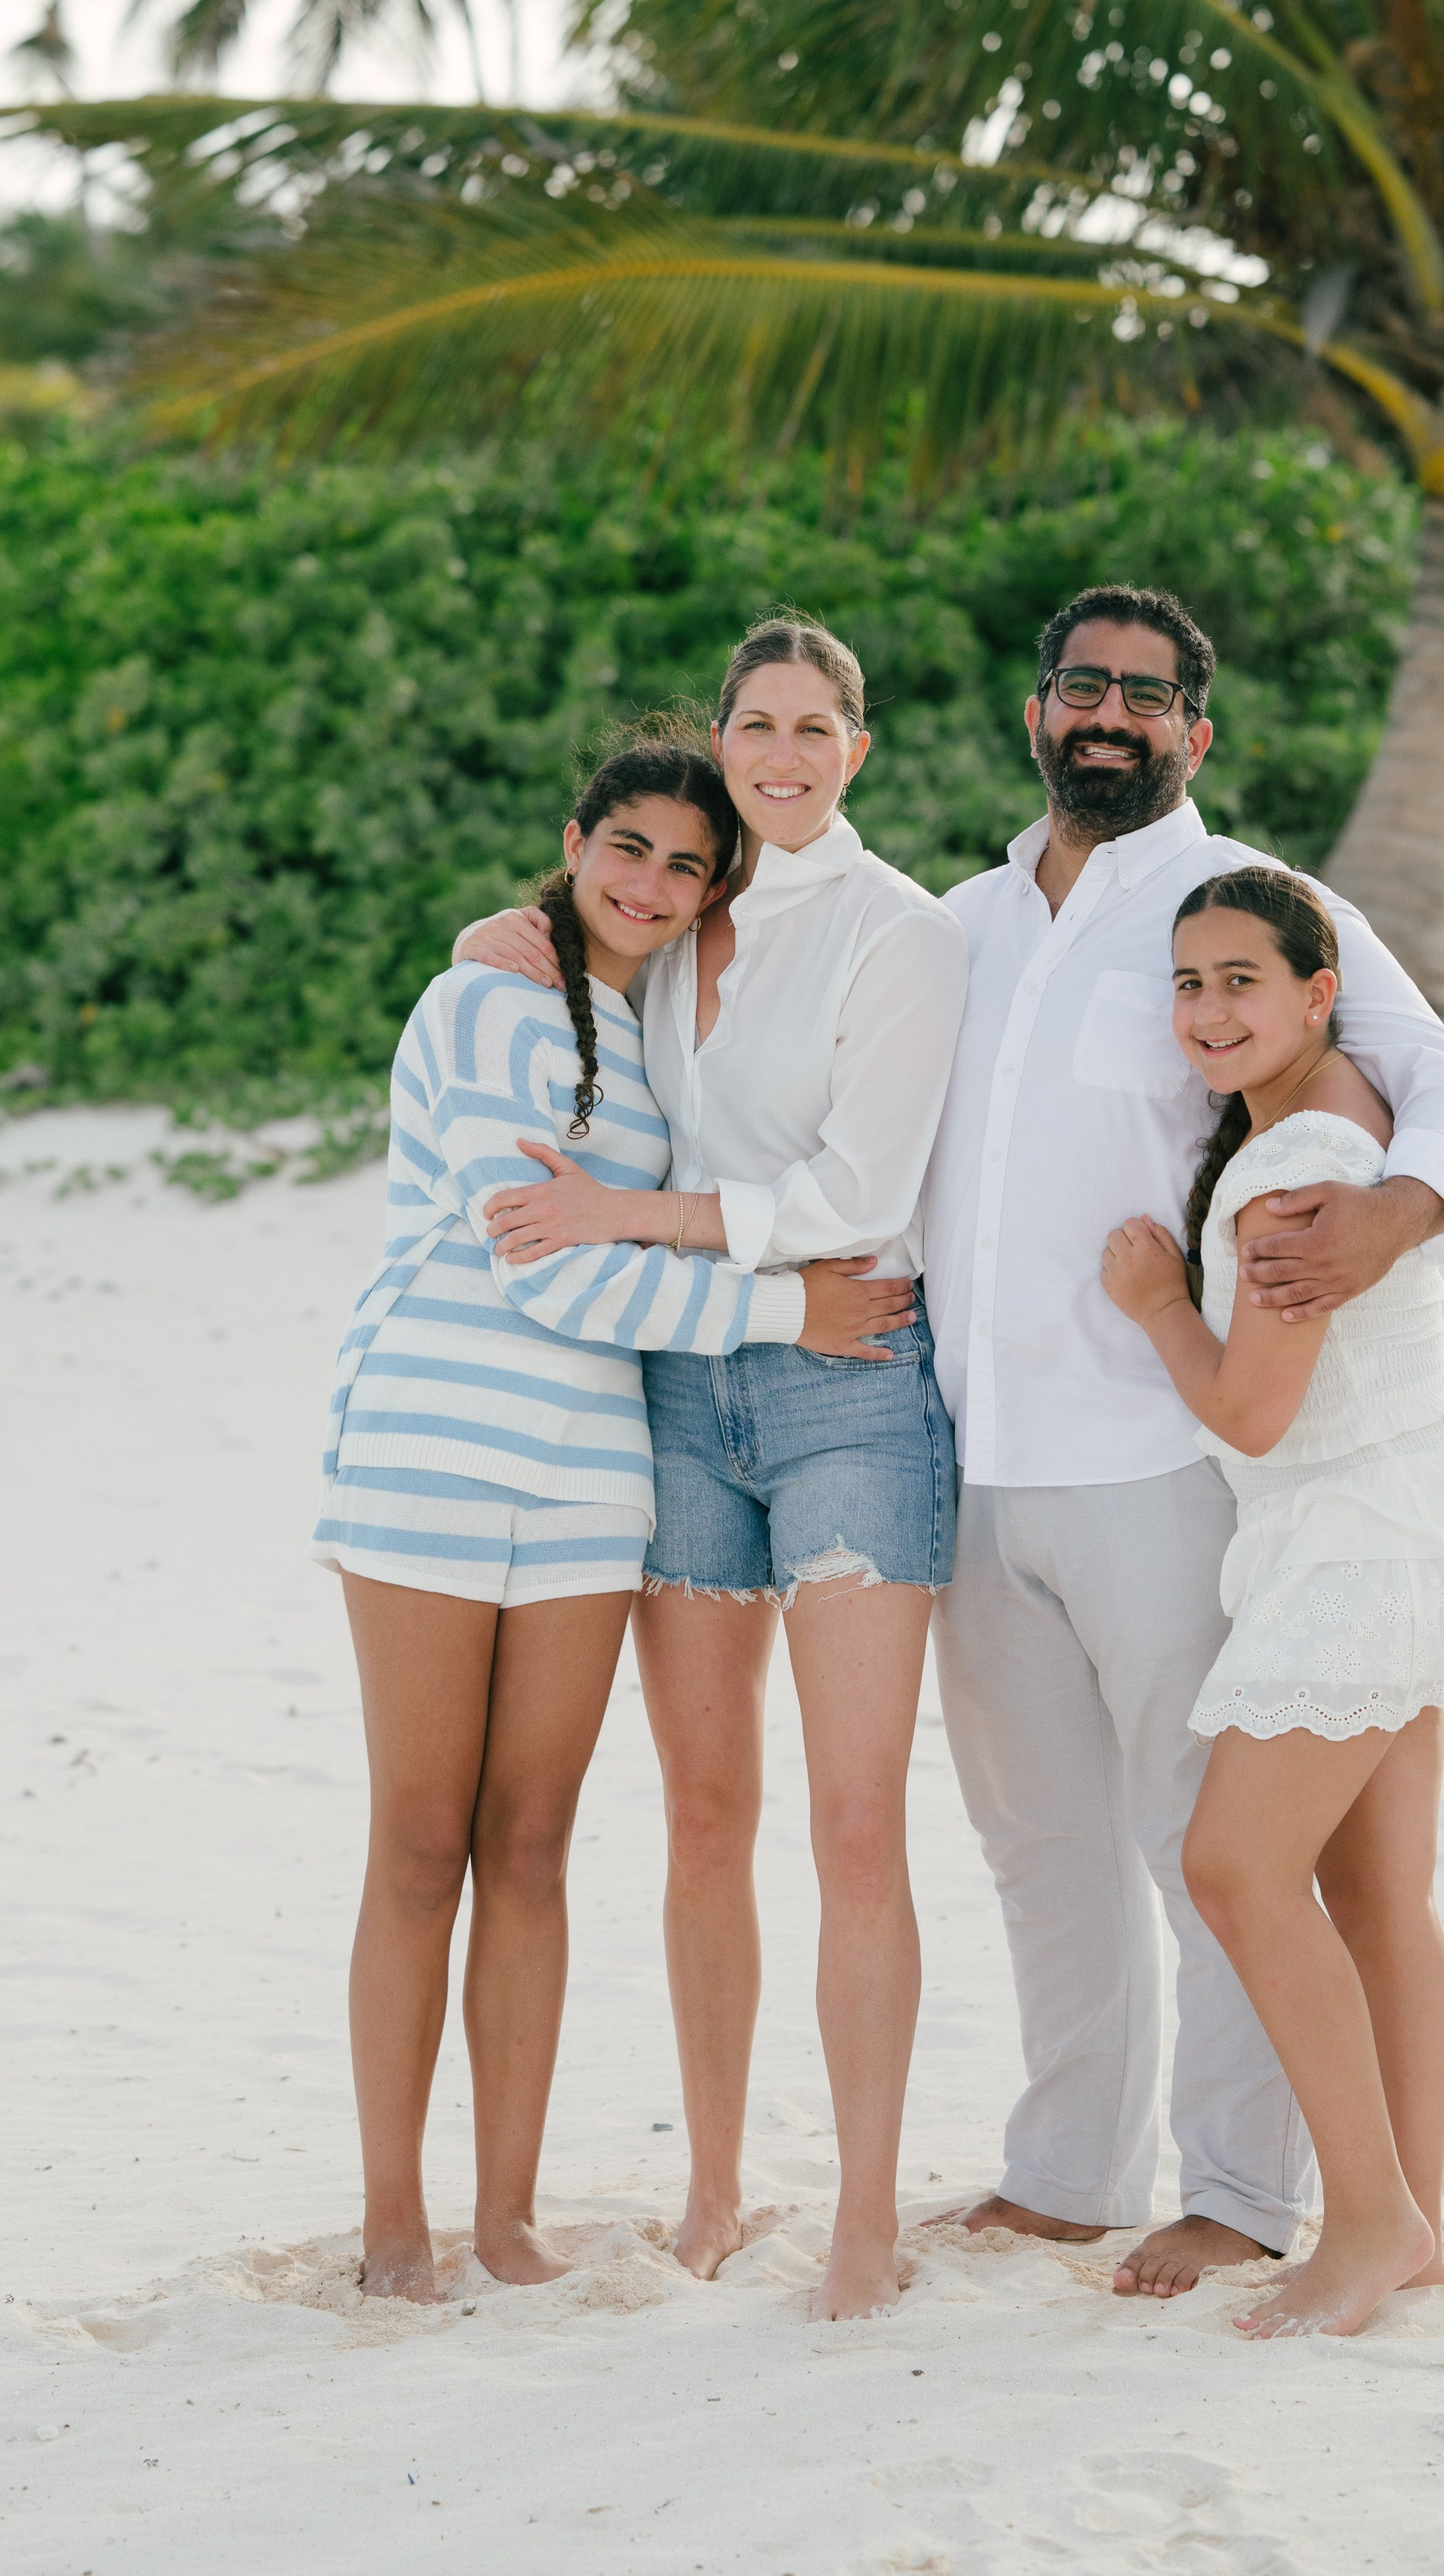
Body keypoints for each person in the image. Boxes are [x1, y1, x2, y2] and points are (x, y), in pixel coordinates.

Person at [923, 584, 1444, 2300]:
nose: (1107, 712)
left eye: (1145, 692)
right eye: (1080, 685)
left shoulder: (1248, 901)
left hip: (1167, 1464)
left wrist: (1399, 1211)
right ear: (1038, 710)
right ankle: (1058, 2172)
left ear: (1196, 726)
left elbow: (1436, 1074)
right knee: (1038, 1845)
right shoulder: (954, 923)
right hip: (969, 1452)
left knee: (1205, 1845)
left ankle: (1247, 2191)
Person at [317, 734, 916, 2303]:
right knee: (415, 1843)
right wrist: (792, 1309)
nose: (651, 885)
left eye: (685, 866)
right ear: (574, 840)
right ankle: (395, 2222)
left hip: (592, 1469)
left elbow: (658, 1213)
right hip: (434, 1454)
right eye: (627, 849)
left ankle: (504, 2218)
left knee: (530, 1844)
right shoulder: (478, 1000)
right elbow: (544, 1256)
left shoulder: (654, 1021)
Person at [455, 616, 969, 2318]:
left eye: (814, 727)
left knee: (849, 1821)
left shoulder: (900, 937)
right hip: (682, 1392)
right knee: (696, 1811)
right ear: (726, 737)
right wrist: (498, 935)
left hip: (847, 1383)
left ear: (856, 750)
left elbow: (850, 1194)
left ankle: (863, 2215)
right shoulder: (675, 920)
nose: (781, 752)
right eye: (756, 722)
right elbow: (550, 952)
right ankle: (714, 2187)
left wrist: (625, 1216)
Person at [1100, 865, 1444, 2336]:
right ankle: (1408, 2217)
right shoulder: (1346, 1107)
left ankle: (1363, 2219)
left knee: (1235, 1866)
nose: (1209, 1008)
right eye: (1187, 982)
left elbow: (1254, 1415)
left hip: (1358, 1533)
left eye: (1242, 978)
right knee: (1373, 1896)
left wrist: (1159, 1299)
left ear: (1316, 989)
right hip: (1403, 1511)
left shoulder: (1293, 1159)